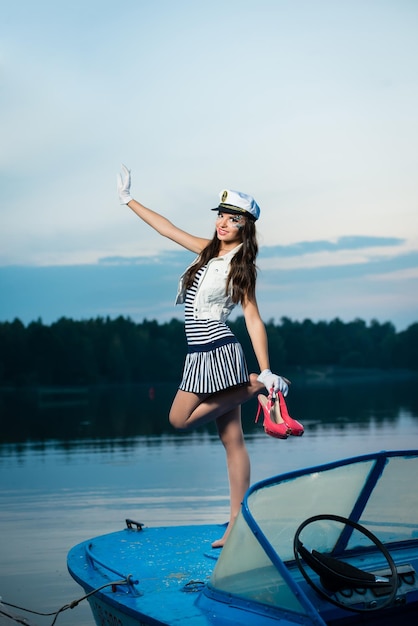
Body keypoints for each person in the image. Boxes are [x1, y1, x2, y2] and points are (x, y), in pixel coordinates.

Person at [117, 165, 294, 548]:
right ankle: (236, 526)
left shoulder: (241, 267)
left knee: (178, 419)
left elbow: (253, 318)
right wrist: (128, 200)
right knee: (233, 441)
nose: (224, 223)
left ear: (246, 226)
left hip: (216, 348)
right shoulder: (208, 251)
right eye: (221, 216)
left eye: (233, 219)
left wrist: (263, 369)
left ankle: (253, 386)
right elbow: (167, 228)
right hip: (199, 350)